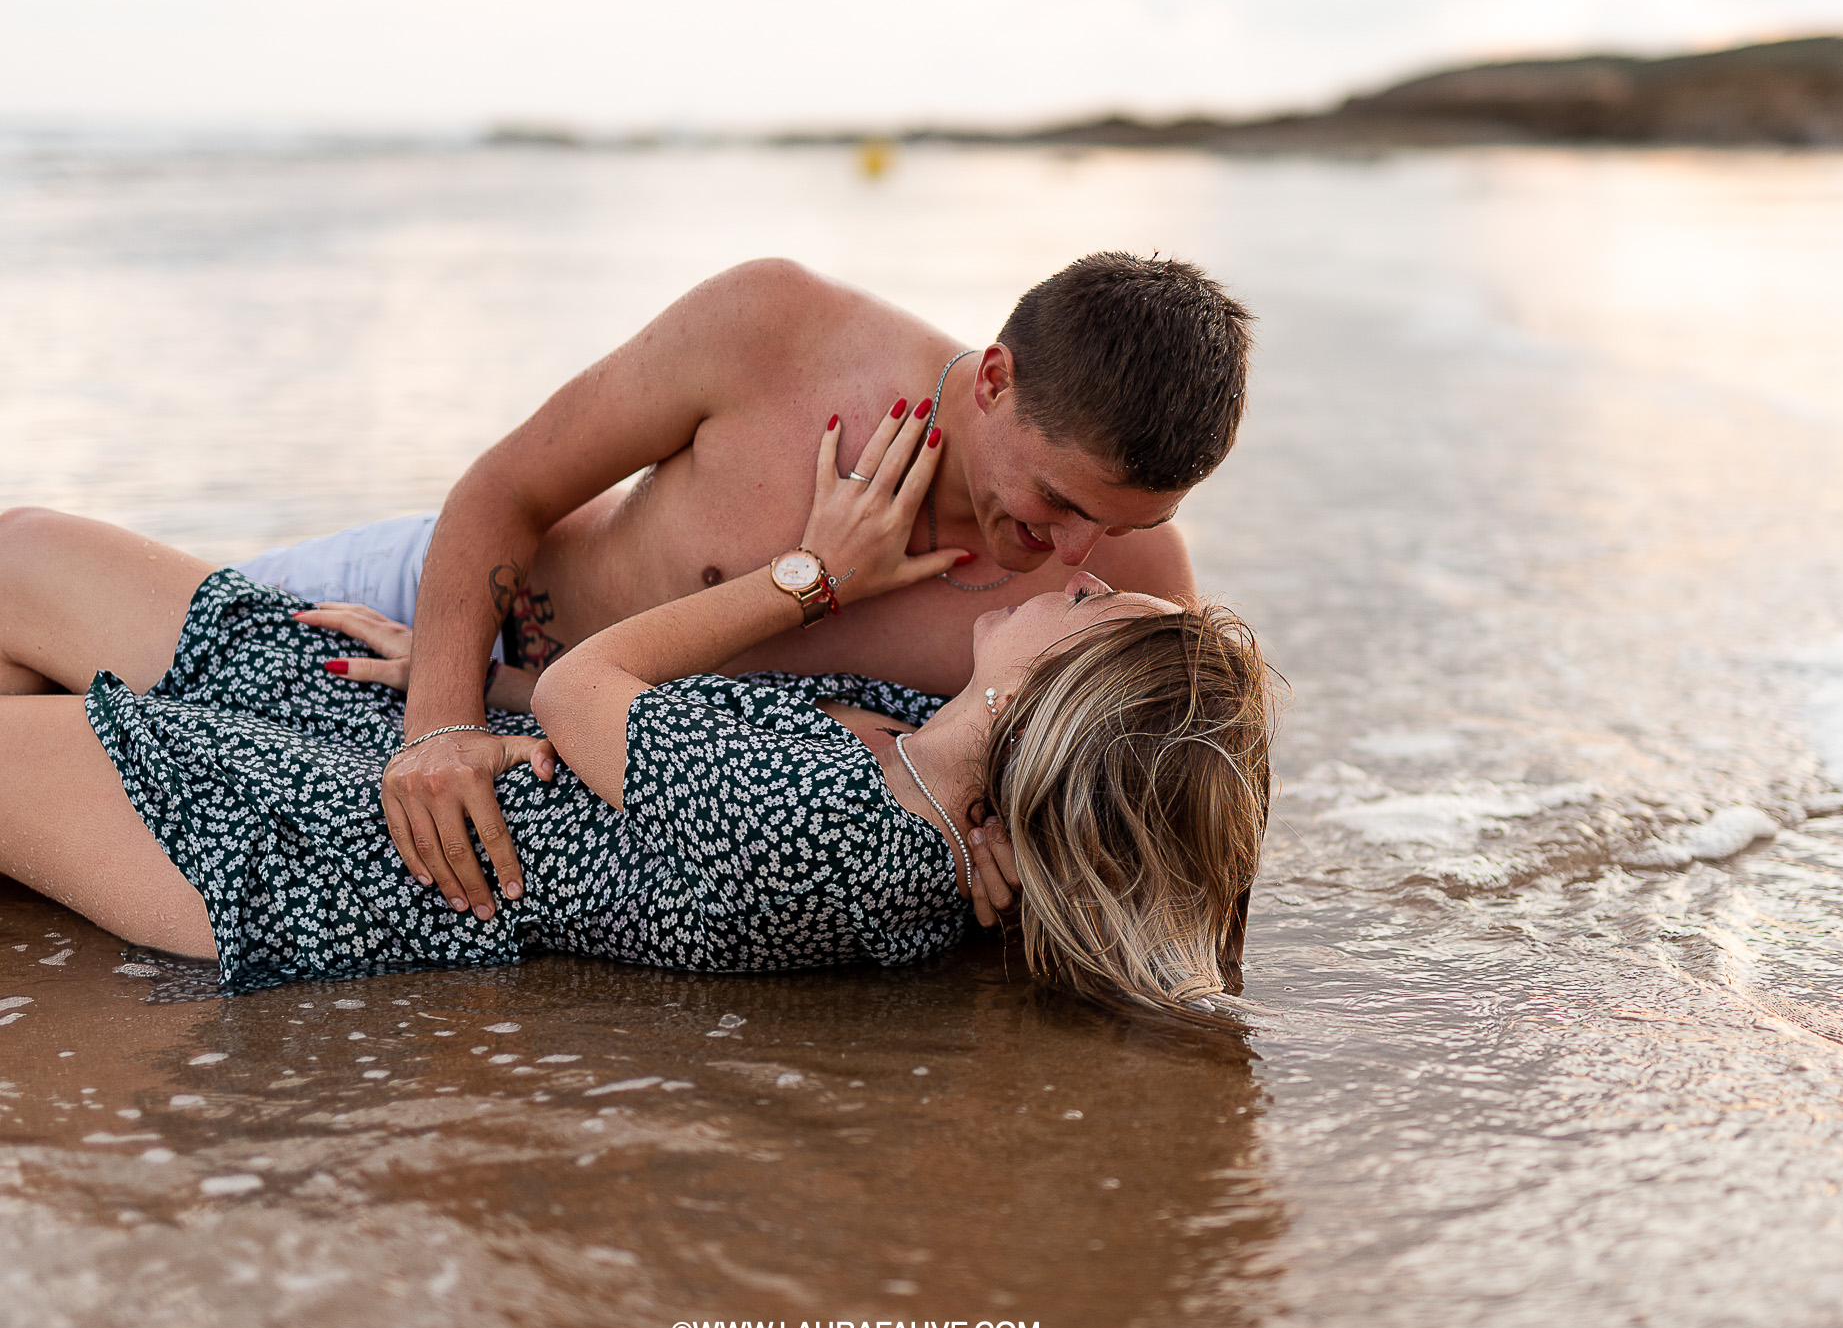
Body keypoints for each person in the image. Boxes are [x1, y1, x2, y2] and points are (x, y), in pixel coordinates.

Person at [0, 406, 1275, 1030]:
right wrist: (453, 684)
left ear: (1042, 697)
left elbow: (585, 690)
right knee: (29, 553)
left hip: (351, 852)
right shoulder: (931, 762)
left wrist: (810, 577)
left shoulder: (852, 837)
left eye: (1099, 611)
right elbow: (632, 722)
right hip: (452, 759)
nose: (1093, 579)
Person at [206, 251, 1256, 936]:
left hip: (589, 801)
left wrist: (1014, 856)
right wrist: (440, 718)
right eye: (1056, 499)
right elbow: (503, 491)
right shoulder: (781, 332)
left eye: (1125, 525)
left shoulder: (1131, 594)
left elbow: (1158, 842)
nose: (1075, 551)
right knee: (64, 617)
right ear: (993, 381)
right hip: (435, 615)